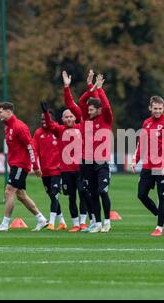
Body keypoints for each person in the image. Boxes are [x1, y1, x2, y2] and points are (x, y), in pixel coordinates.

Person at [45, 74, 91, 232]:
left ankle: (84, 222)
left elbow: (71, 104)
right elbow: (50, 125)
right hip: (65, 170)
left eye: (71, 116)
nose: (69, 118)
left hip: (80, 168)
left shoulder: (81, 127)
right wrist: (46, 113)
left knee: (83, 193)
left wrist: (67, 88)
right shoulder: (59, 130)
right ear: (62, 119)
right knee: (71, 197)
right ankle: (75, 224)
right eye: (66, 116)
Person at [69, 72, 113, 233]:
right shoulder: (87, 119)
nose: (89, 111)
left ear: (99, 110)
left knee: (102, 191)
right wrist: (91, 88)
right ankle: (98, 223)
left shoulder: (106, 119)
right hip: (87, 161)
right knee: (92, 193)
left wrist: (99, 89)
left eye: (92, 109)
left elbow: (106, 106)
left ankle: (107, 221)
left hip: (101, 161)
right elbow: (81, 101)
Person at [0, 102, 48, 231]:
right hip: (15, 165)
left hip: (21, 165)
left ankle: (5, 224)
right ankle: (41, 219)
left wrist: (35, 166)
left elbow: (31, 147)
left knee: (9, 190)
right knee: (21, 195)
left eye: (0, 112)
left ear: (8, 112)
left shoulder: (19, 127)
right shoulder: (8, 128)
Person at [132, 96, 164, 237]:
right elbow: (141, 143)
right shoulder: (146, 123)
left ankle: (159, 227)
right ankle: (160, 215)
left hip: (162, 166)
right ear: (150, 108)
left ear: (163, 108)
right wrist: (135, 159)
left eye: (160, 108)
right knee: (141, 194)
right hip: (148, 165)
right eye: (155, 108)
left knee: (162, 196)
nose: (157, 111)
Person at [33, 103, 67, 231]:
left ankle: (51, 223)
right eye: (41, 119)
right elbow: (34, 150)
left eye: (46, 119)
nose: (43, 122)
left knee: (54, 194)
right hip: (45, 172)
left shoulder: (58, 131)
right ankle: (62, 222)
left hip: (57, 171)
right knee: (52, 196)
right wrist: (35, 166)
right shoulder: (38, 133)